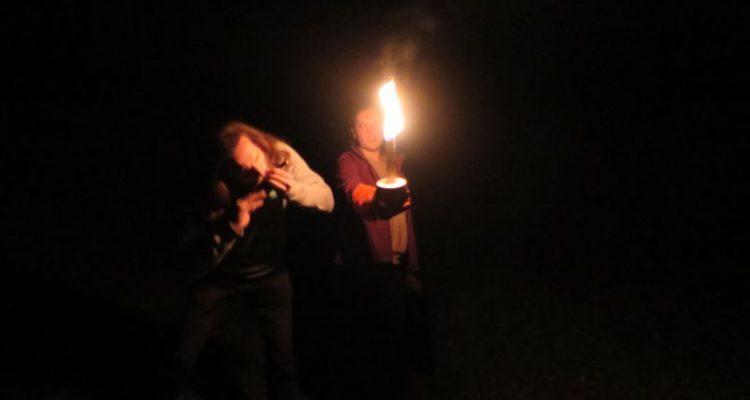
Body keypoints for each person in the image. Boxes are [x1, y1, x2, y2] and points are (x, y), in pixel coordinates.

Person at [175, 121, 334, 400]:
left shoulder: (280, 155)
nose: (258, 170)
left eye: (256, 158)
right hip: (221, 277)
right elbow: (192, 265)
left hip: (270, 273)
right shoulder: (213, 188)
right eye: (245, 168)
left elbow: (327, 200)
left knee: (283, 363)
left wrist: (294, 189)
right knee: (182, 357)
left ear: (261, 144)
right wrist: (232, 225)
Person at [334, 107, 430, 399]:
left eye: (376, 123)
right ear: (354, 132)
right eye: (363, 126)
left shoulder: (397, 161)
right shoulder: (348, 161)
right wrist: (378, 197)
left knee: (407, 324)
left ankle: (410, 379)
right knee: (381, 330)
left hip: (404, 257)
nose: (371, 131)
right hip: (374, 263)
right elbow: (355, 191)